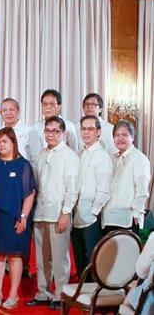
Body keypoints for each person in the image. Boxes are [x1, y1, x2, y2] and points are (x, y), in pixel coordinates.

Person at [26, 116, 79, 310]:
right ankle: (43, 292)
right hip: (41, 212)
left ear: (63, 133)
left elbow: (73, 189)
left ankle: (60, 295)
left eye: (55, 131)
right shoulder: (41, 154)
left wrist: (65, 213)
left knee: (60, 258)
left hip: (58, 214)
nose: (51, 134)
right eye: (47, 131)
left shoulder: (70, 156)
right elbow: (37, 185)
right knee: (41, 258)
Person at [0, 127, 36, 310]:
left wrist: (23, 216)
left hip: (16, 217)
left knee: (15, 256)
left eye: (4, 141)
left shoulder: (23, 165)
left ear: (13, 143)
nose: (1, 145)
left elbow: (29, 193)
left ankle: (13, 295)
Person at [72, 115, 112, 274]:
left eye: (91, 129)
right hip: (77, 215)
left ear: (99, 132)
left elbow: (104, 189)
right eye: (83, 128)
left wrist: (94, 212)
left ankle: (93, 294)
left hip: (92, 216)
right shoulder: (79, 153)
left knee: (93, 259)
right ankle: (80, 296)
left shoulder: (102, 156)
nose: (86, 132)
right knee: (79, 257)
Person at [102, 121, 151, 233]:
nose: (120, 138)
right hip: (109, 217)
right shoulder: (112, 158)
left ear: (132, 137)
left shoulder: (139, 159)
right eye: (117, 135)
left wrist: (136, 213)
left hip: (128, 219)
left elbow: (142, 191)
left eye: (124, 135)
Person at [0, 98, 44, 165]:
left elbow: (37, 160)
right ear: (0, 113)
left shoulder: (30, 132)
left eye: (11, 110)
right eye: (4, 110)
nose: (8, 113)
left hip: (23, 173)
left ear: (18, 111)